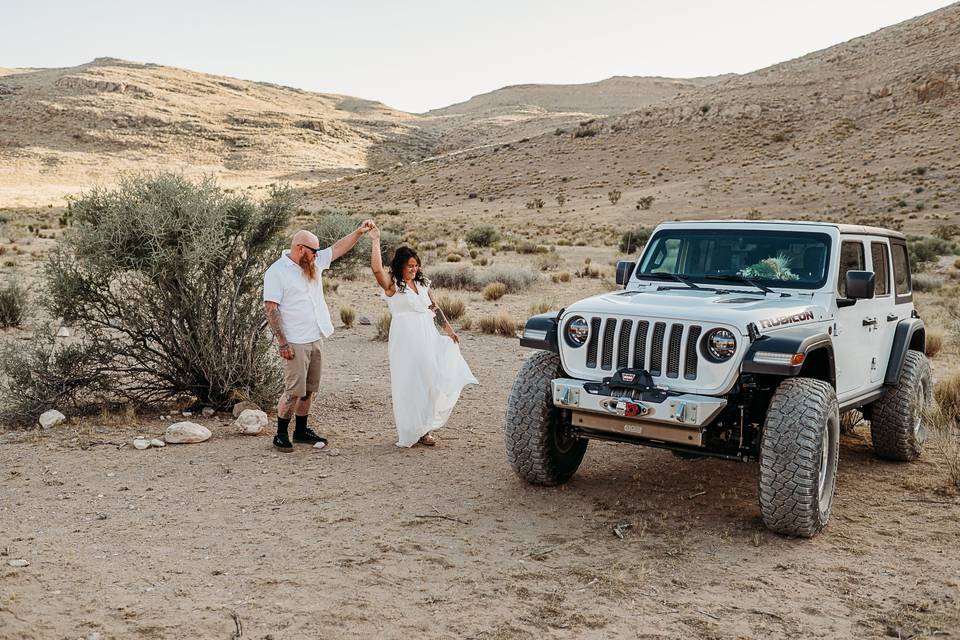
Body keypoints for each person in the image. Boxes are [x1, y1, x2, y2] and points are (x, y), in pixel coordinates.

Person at [263, 222, 374, 452]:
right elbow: (271, 309)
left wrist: (359, 232)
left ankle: (301, 431)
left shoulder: (313, 263)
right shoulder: (277, 272)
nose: (317, 254)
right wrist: (282, 342)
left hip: (316, 335)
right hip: (294, 340)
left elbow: (338, 248)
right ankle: (281, 434)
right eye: (313, 250)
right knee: (293, 391)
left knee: (310, 389)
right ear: (300, 248)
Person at [369, 225, 478, 447]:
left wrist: (448, 329)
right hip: (405, 340)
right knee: (409, 384)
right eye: (410, 265)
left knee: (430, 381)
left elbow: (434, 308)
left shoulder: (422, 283)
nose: (414, 268)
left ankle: (425, 428)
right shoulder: (393, 286)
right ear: (400, 265)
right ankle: (411, 430)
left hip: (428, 337)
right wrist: (375, 241)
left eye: (416, 265)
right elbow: (376, 269)